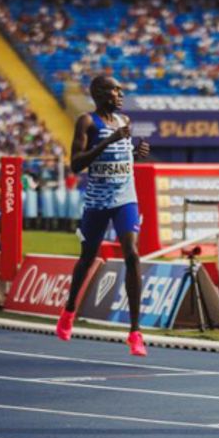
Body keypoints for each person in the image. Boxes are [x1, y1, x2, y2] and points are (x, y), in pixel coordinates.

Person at [55, 75, 151, 355]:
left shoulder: (125, 122)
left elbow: (123, 155)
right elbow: (76, 164)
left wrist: (136, 152)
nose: (121, 94)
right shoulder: (86, 122)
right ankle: (69, 309)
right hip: (97, 201)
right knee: (87, 258)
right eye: (115, 89)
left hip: (125, 198)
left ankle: (135, 332)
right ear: (99, 93)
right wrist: (107, 141)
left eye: (122, 89)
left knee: (132, 254)